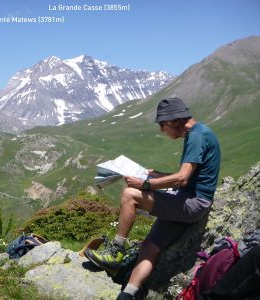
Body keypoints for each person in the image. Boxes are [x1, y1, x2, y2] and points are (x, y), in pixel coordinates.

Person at [84, 98, 221, 299]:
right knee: (150, 246)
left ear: (174, 120)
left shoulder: (196, 136)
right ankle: (128, 294)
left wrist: (145, 184)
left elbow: (182, 178)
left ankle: (115, 252)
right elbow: (189, 176)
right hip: (187, 200)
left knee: (130, 194)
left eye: (162, 124)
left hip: (192, 203)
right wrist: (155, 174)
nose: (161, 130)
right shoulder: (200, 132)